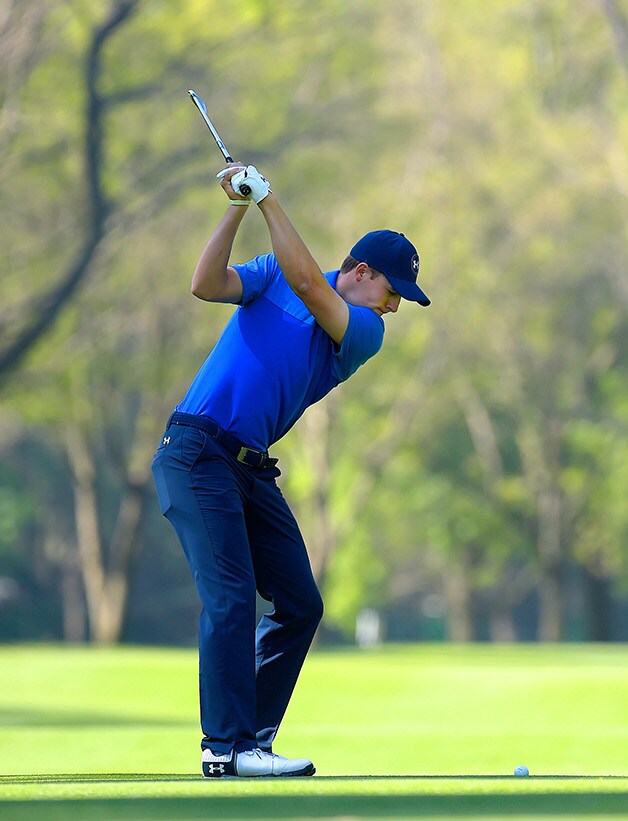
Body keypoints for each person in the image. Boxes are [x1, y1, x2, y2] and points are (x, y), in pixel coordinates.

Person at [151, 162, 428, 778]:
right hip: (197, 452)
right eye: (394, 292)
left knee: (300, 603)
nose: (395, 307)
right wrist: (239, 206)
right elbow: (205, 284)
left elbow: (307, 282)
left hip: (247, 469)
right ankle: (225, 749)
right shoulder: (273, 271)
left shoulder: (363, 331)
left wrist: (267, 199)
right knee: (229, 598)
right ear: (362, 272)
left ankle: (253, 739)